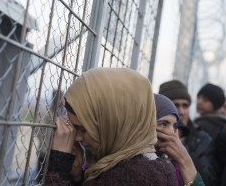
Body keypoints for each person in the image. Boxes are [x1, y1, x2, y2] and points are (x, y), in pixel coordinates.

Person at [45, 68, 177, 185]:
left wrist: (58, 164)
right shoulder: (150, 165)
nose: (77, 137)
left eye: (83, 129)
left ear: (114, 122)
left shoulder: (130, 177)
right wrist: (78, 177)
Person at [159, 80, 220, 186]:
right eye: (175, 105)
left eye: (185, 106)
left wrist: (183, 151)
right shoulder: (152, 136)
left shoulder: (203, 139)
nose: (181, 111)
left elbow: (210, 180)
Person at [154, 94, 204, 186]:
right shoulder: (133, 164)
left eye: (175, 126)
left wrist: (185, 160)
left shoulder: (175, 164)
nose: (171, 132)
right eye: (163, 124)